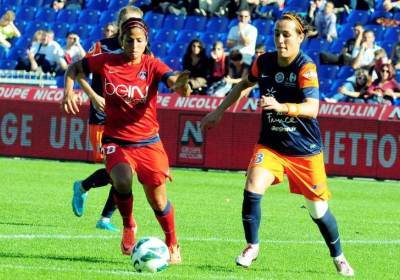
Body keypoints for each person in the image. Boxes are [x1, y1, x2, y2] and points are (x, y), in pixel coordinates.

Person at [201, 12, 354, 277]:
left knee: (318, 210)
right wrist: (218, 111)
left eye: (286, 34)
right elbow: (241, 86)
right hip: (271, 145)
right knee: (252, 185)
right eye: (277, 34)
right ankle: (252, 246)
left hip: (304, 149)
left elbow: (313, 108)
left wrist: (281, 106)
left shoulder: (305, 67)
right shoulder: (264, 62)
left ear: (300, 37)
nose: (280, 40)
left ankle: (339, 256)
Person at [62, 16, 191, 264]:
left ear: (146, 42)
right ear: (121, 40)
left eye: (139, 40)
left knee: (158, 200)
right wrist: (69, 91)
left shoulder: (152, 65)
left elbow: (173, 80)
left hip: (148, 142)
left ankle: (172, 241)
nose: (134, 44)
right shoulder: (106, 61)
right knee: (121, 179)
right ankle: (128, 224)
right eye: (129, 40)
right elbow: (74, 68)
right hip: (116, 139)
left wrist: (181, 86)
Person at [68, 6, 146, 233]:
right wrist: (93, 96)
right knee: (118, 172)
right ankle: (82, 187)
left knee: (126, 172)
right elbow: (78, 71)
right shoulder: (102, 47)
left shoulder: (142, 50)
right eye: (128, 22)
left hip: (127, 121)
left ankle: (104, 218)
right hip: (102, 118)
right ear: (120, 24)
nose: (133, 28)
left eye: (138, 23)